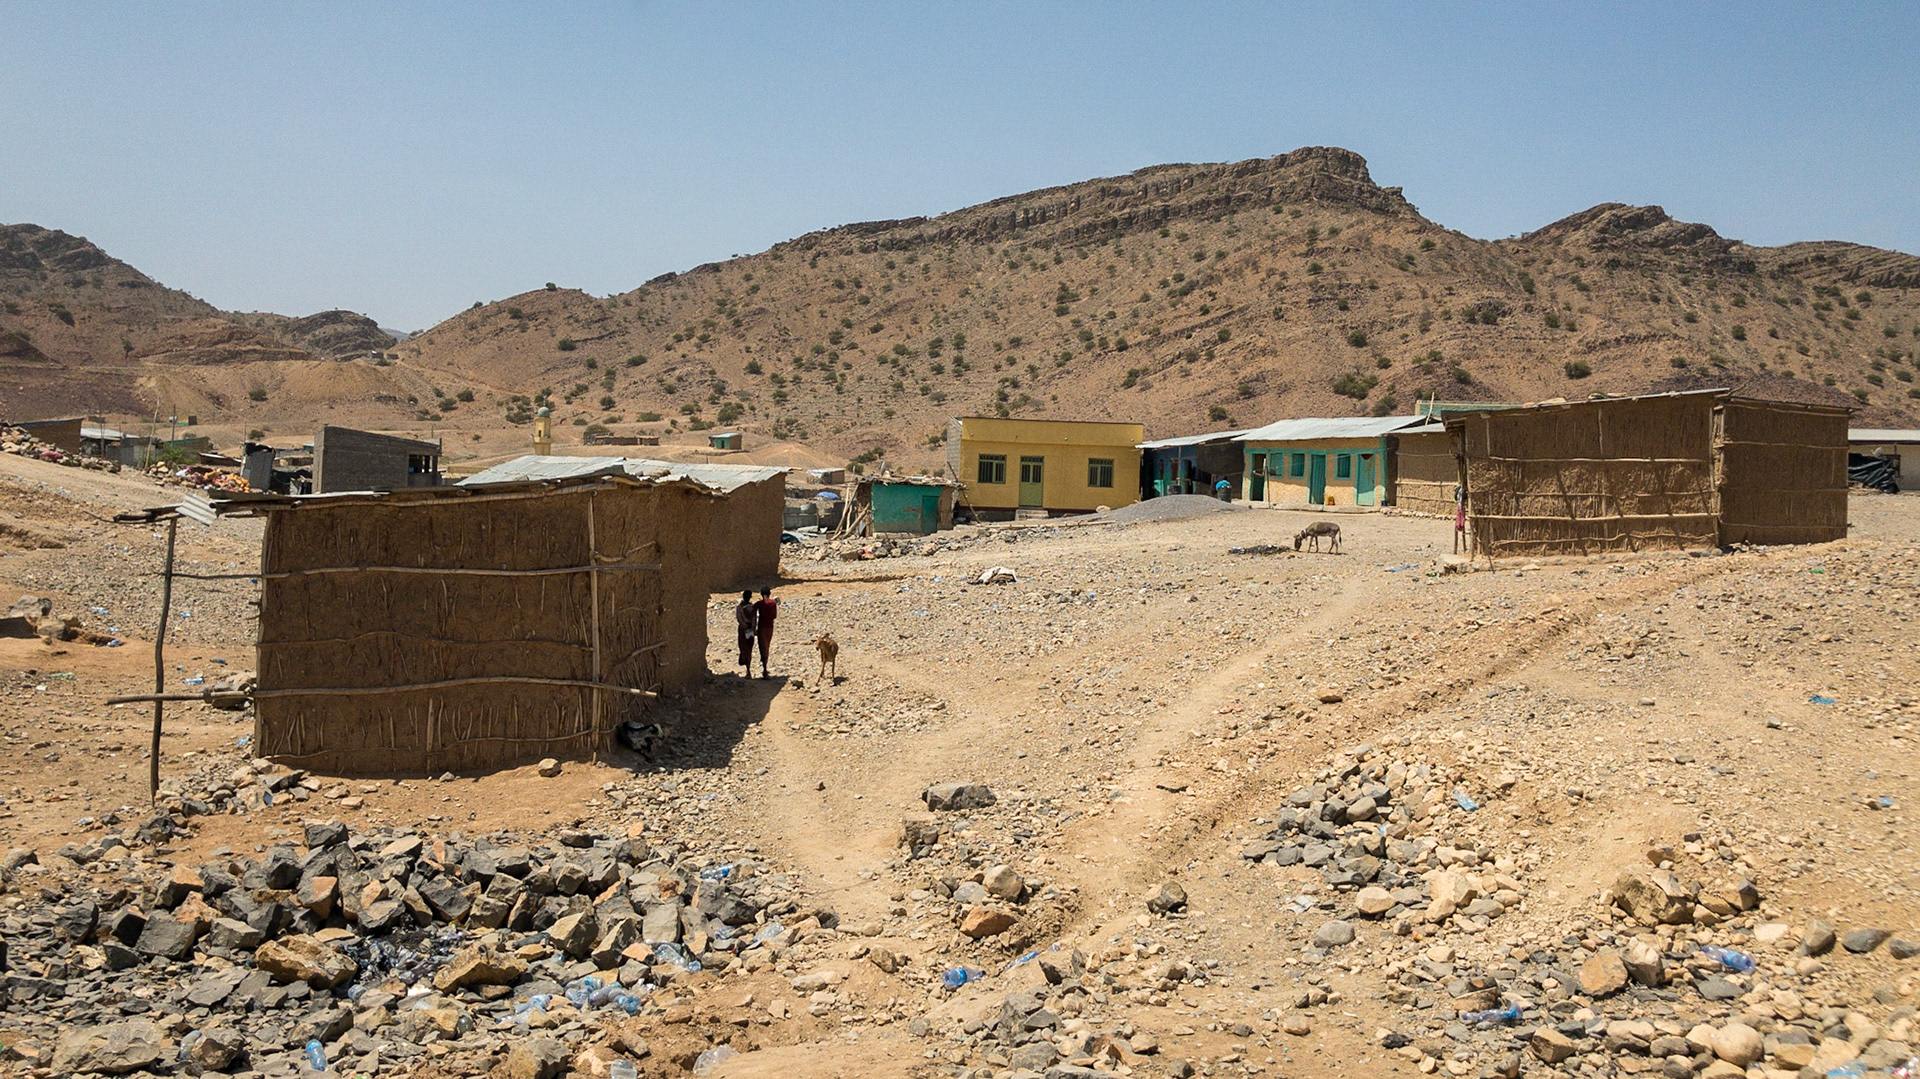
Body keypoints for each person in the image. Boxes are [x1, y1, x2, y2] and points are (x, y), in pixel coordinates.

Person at [753, 587, 779, 678]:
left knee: (762, 646)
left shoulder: (759, 604)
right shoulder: (773, 603)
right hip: (770, 627)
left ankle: (764, 667)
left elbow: (752, 614)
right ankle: (765, 668)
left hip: (761, 627)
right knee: (767, 646)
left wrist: (753, 627)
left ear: (761, 594)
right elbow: (774, 616)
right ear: (770, 593)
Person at [733, 590, 757, 675]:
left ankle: (745, 664)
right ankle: (748, 668)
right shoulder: (752, 607)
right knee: (749, 649)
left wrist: (745, 627)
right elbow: (754, 620)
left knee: (743, 647)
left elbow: (739, 619)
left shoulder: (739, 608)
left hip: (742, 631)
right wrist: (753, 629)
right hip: (750, 631)